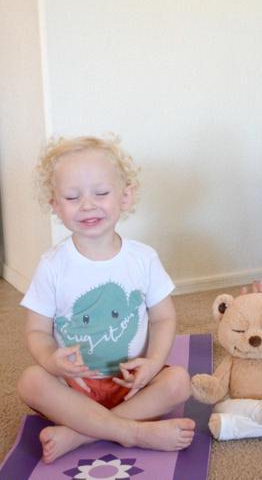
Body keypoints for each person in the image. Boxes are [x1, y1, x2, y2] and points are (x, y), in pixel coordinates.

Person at [17, 136, 195, 463]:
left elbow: (163, 318)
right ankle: (133, 432)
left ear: (125, 196)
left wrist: (154, 363)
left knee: (179, 382)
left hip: (132, 384)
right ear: (55, 205)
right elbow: (37, 331)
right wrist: (51, 361)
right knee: (30, 381)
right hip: (75, 388)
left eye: (100, 193)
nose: (87, 205)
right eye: (72, 197)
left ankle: (80, 433)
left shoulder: (143, 259)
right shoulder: (52, 266)